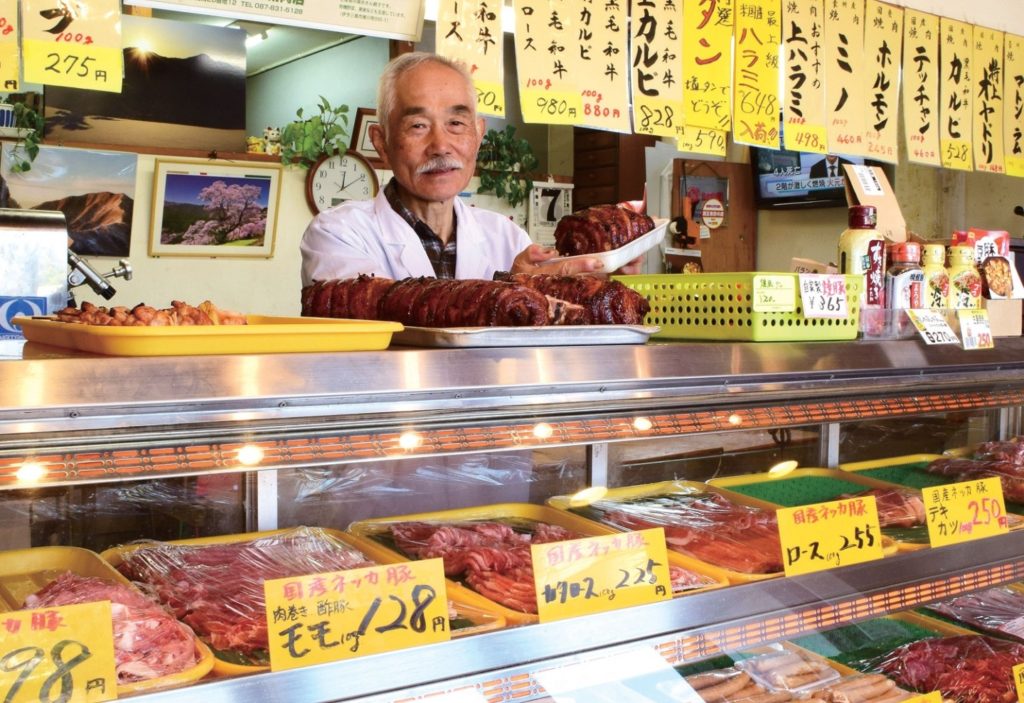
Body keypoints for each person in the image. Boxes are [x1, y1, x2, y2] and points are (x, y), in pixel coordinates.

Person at [301, 52, 638, 287]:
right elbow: (373, 309)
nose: (441, 145)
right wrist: (510, 288)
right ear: (381, 142)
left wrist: (592, 283)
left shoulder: (507, 238)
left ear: (478, 135)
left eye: (456, 123)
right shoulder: (338, 233)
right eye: (418, 125)